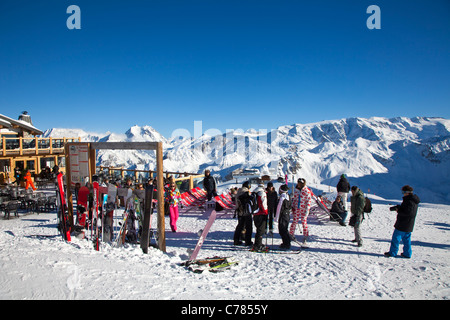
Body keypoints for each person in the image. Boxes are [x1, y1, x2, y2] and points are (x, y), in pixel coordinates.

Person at [384, 185, 420, 258]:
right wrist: (399, 207)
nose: (403, 193)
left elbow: (407, 212)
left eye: (403, 192)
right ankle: (407, 253)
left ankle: (392, 253)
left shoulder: (409, 201)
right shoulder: (413, 200)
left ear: (407, 192)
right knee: (406, 240)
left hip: (403, 223)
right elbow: (408, 210)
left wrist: (398, 210)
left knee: (396, 238)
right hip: (409, 224)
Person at [290, 178, 312, 244]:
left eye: (299, 184)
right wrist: (293, 207)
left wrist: (307, 210)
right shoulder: (296, 190)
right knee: (294, 221)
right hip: (297, 208)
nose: (298, 185)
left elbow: (309, 201)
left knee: (304, 222)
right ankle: (291, 233)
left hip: (303, 209)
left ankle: (306, 235)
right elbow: (295, 199)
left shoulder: (306, 191)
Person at [233, 181, 253, 246]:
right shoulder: (246, 192)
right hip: (246, 212)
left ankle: (236, 240)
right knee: (248, 227)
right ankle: (248, 241)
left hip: (239, 211)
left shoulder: (238, 192)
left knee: (240, 226)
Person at [275, 184, 291, 249]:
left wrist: (276, 218)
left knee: (282, 230)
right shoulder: (288, 196)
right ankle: (287, 242)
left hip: (283, 215)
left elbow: (279, 208)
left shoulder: (282, 198)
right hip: (287, 214)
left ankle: (286, 244)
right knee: (285, 229)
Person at [253, 183, 268, 251]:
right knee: (261, 230)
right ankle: (258, 245)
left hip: (255, 213)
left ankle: (257, 243)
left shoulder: (254, 192)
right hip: (261, 213)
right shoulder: (262, 193)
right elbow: (263, 204)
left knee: (258, 229)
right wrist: (266, 212)